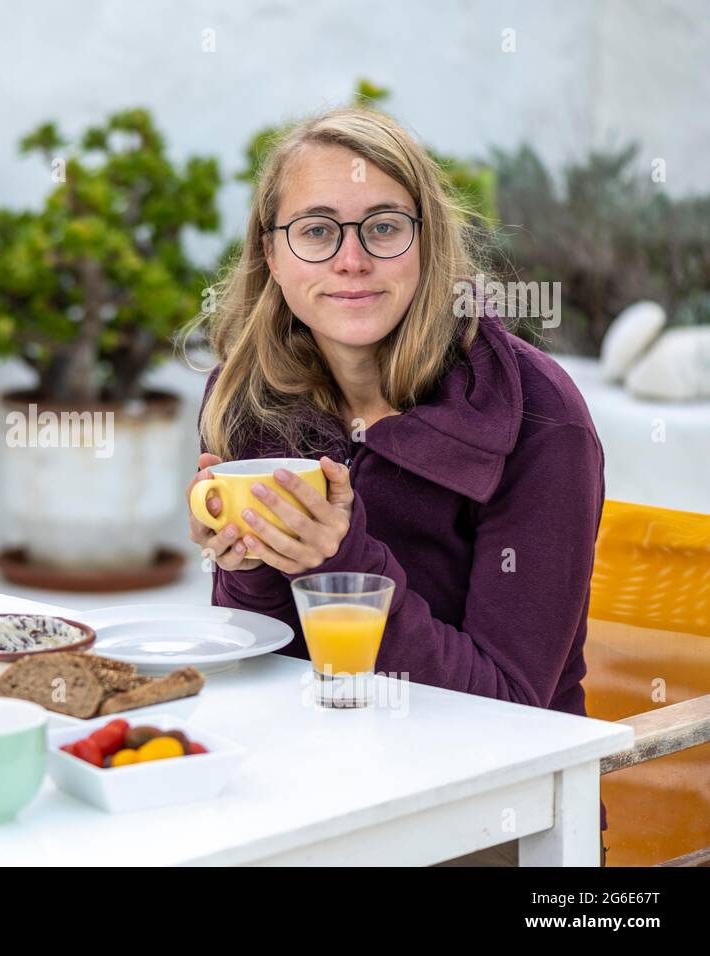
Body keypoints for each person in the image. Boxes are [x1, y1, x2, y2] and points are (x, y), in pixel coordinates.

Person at [183, 107, 608, 866]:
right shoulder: (245, 398)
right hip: (302, 789)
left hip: (486, 819)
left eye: (383, 227)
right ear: (271, 256)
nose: (351, 261)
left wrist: (342, 565)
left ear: (428, 247)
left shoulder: (536, 418)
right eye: (316, 230)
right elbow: (264, 662)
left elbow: (506, 709)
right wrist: (249, 567)